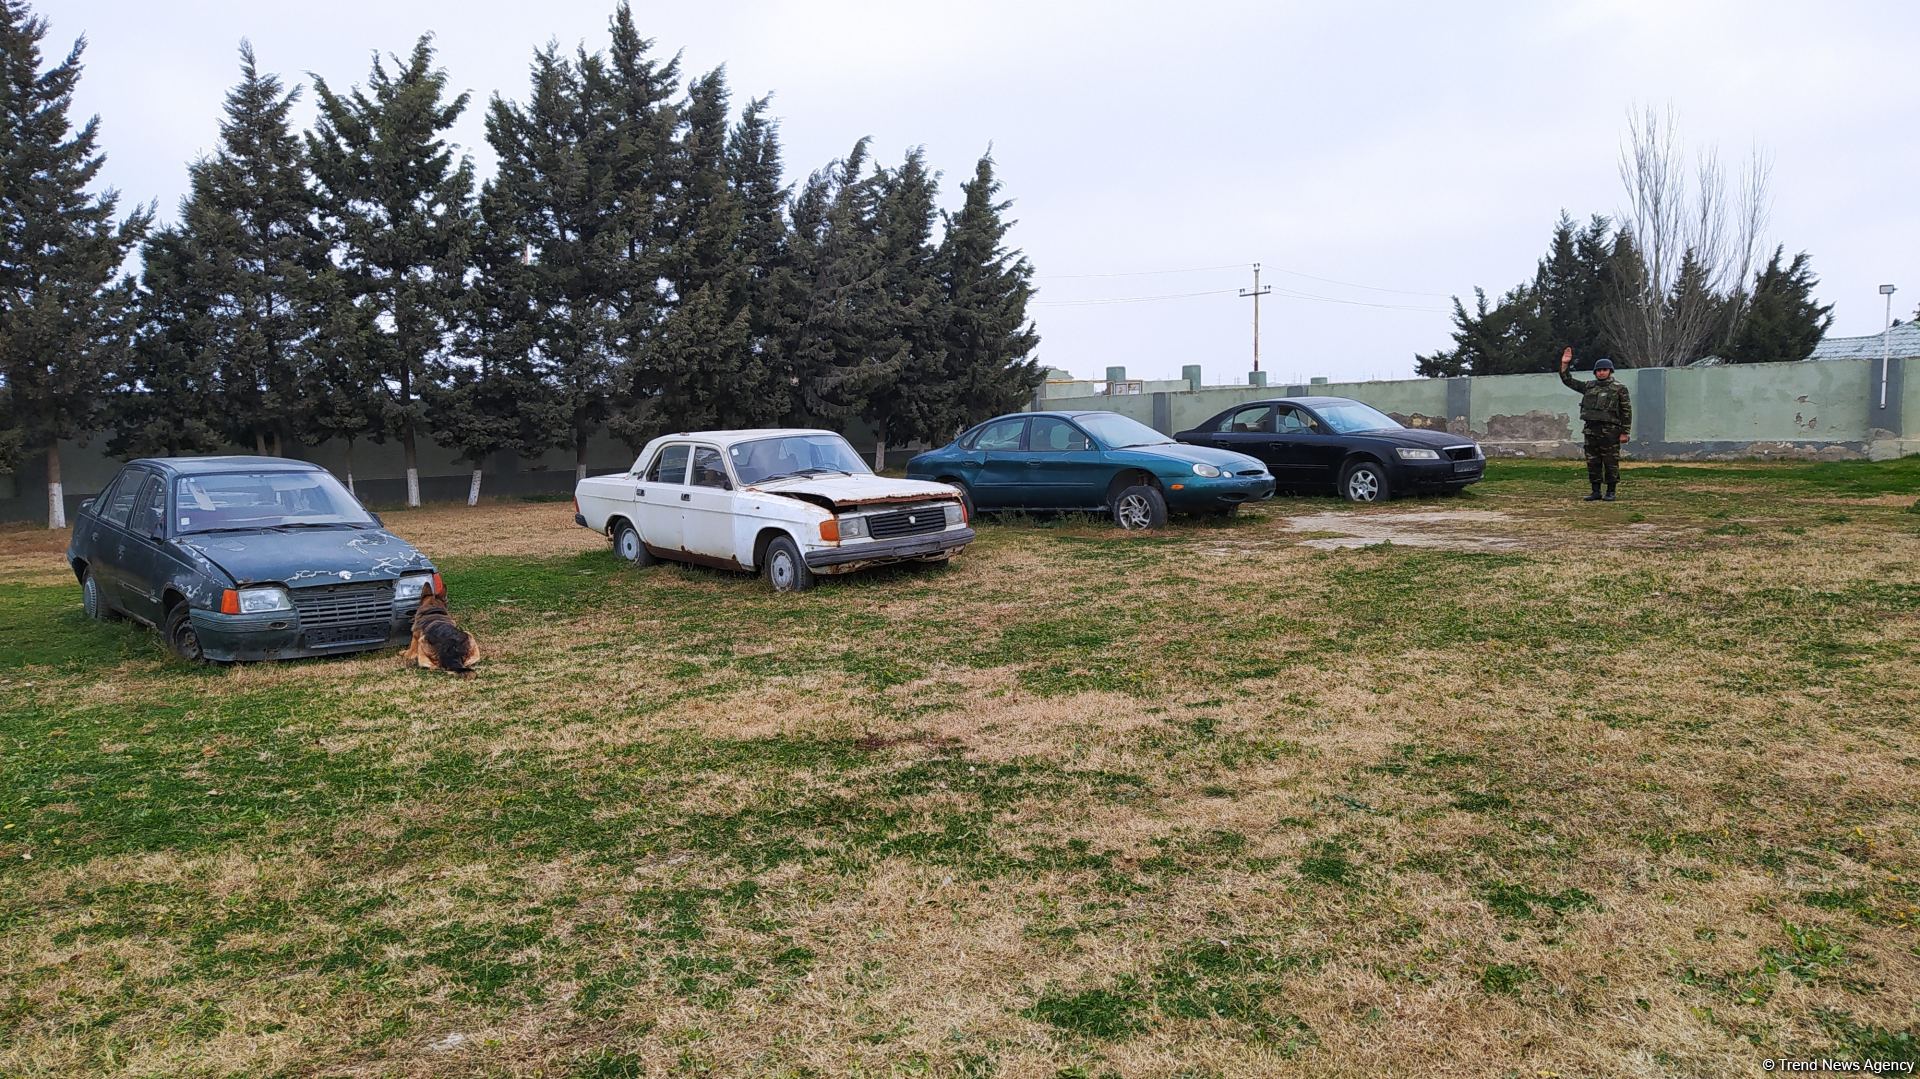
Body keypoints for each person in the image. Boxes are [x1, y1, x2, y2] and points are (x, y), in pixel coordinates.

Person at [1558, 347, 1631, 501]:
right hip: (1591, 430)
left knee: (1610, 462)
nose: (1601, 373)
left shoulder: (1619, 389)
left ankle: (1611, 491)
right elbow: (1567, 380)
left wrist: (1625, 432)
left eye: (1604, 370)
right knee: (1593, 461)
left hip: (1610, 431)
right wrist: (1565, 364)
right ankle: (1595, 491)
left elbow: (1626, 411)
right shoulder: (1589, 386)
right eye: (1598, 370)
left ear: (1610, 371)